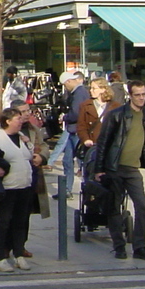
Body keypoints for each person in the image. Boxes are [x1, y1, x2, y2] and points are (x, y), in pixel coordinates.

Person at [91, 80, 145, 261]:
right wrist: (99, 169)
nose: (141, 98)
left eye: (144, 94)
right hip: (114, 168)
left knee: (142, 206)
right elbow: (103, 143)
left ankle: (139, 247)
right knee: (114, 207)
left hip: (132, 169)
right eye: (137, 95)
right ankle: (119, 246)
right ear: (130, 95)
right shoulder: (116, 115)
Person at [0, 106, 43, 272]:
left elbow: (28, 155)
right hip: (7, 188)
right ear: (7, 121)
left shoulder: (22, 136)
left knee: (21, 221)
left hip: (25, 186)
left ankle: (18, 255)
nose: (21, 121)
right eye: (17, 118)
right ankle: (0, 258)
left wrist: (29, 145)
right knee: (4, 221)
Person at [49, 71, 88, 200]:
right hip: (75, 130)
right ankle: (67, 189)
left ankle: (85, 189)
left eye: (65, 85)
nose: (65, 88)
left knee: (80, 161)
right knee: (68, 160)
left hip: (77, 130)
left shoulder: (79, 93)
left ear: (69, 82)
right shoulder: (79, 92)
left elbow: (76, 113)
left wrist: (65, 117)